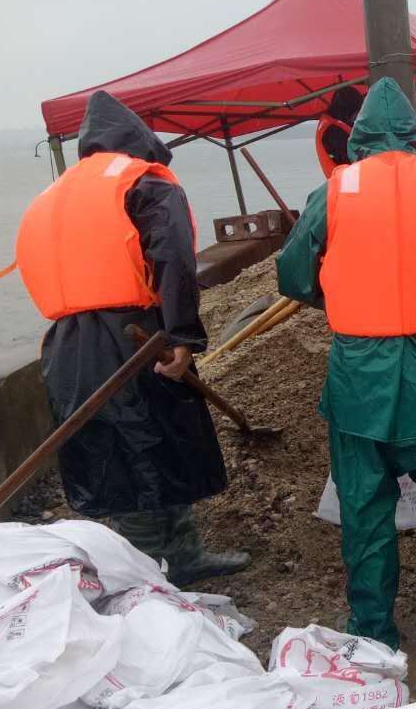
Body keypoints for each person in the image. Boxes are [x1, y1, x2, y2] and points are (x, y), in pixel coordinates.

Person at [277, 79, 416, 651]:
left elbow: (292, 275)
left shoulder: (335, 191)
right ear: (415, 134)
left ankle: (374, 634)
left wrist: (341, 297)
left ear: (361, 135)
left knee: (366, 508)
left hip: (361, 373)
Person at [14, 92, 247, 584]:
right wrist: (182, 335)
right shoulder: (143, 181)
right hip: (135, 333)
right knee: (151, 452)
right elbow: (173, 258)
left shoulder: (51, 197)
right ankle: (145, 580)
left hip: (67, 345)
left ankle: (178, 558)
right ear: (139, 140)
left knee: (120, 456)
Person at [316, 85, 364, 178]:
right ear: (349, 109)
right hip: (347, 182)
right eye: (357, 111)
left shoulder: (331, 125)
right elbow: (350, 159)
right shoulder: (334, 131)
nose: (357, 116)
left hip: (342, 181)